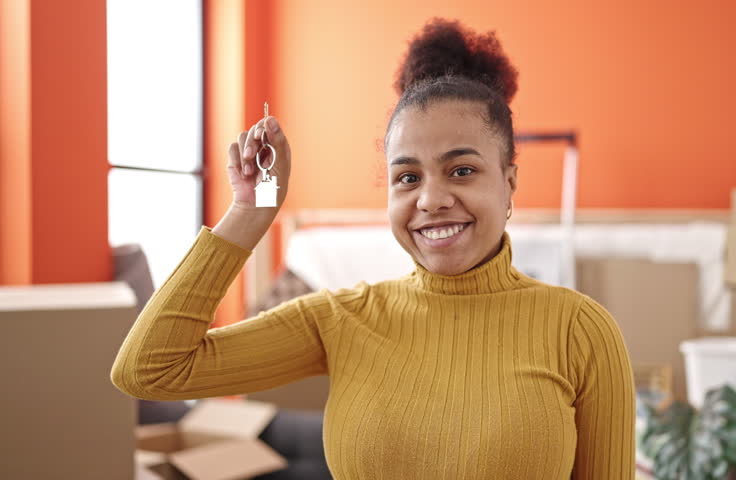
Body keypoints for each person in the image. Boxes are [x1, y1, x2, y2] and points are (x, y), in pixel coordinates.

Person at [111, 17, 635, 479]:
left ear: (510, 183)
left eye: (462, 170)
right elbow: (149, 369)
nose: (431, 199)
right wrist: (252, 212)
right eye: (407, 177)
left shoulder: (579, 330)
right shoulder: (343, 319)